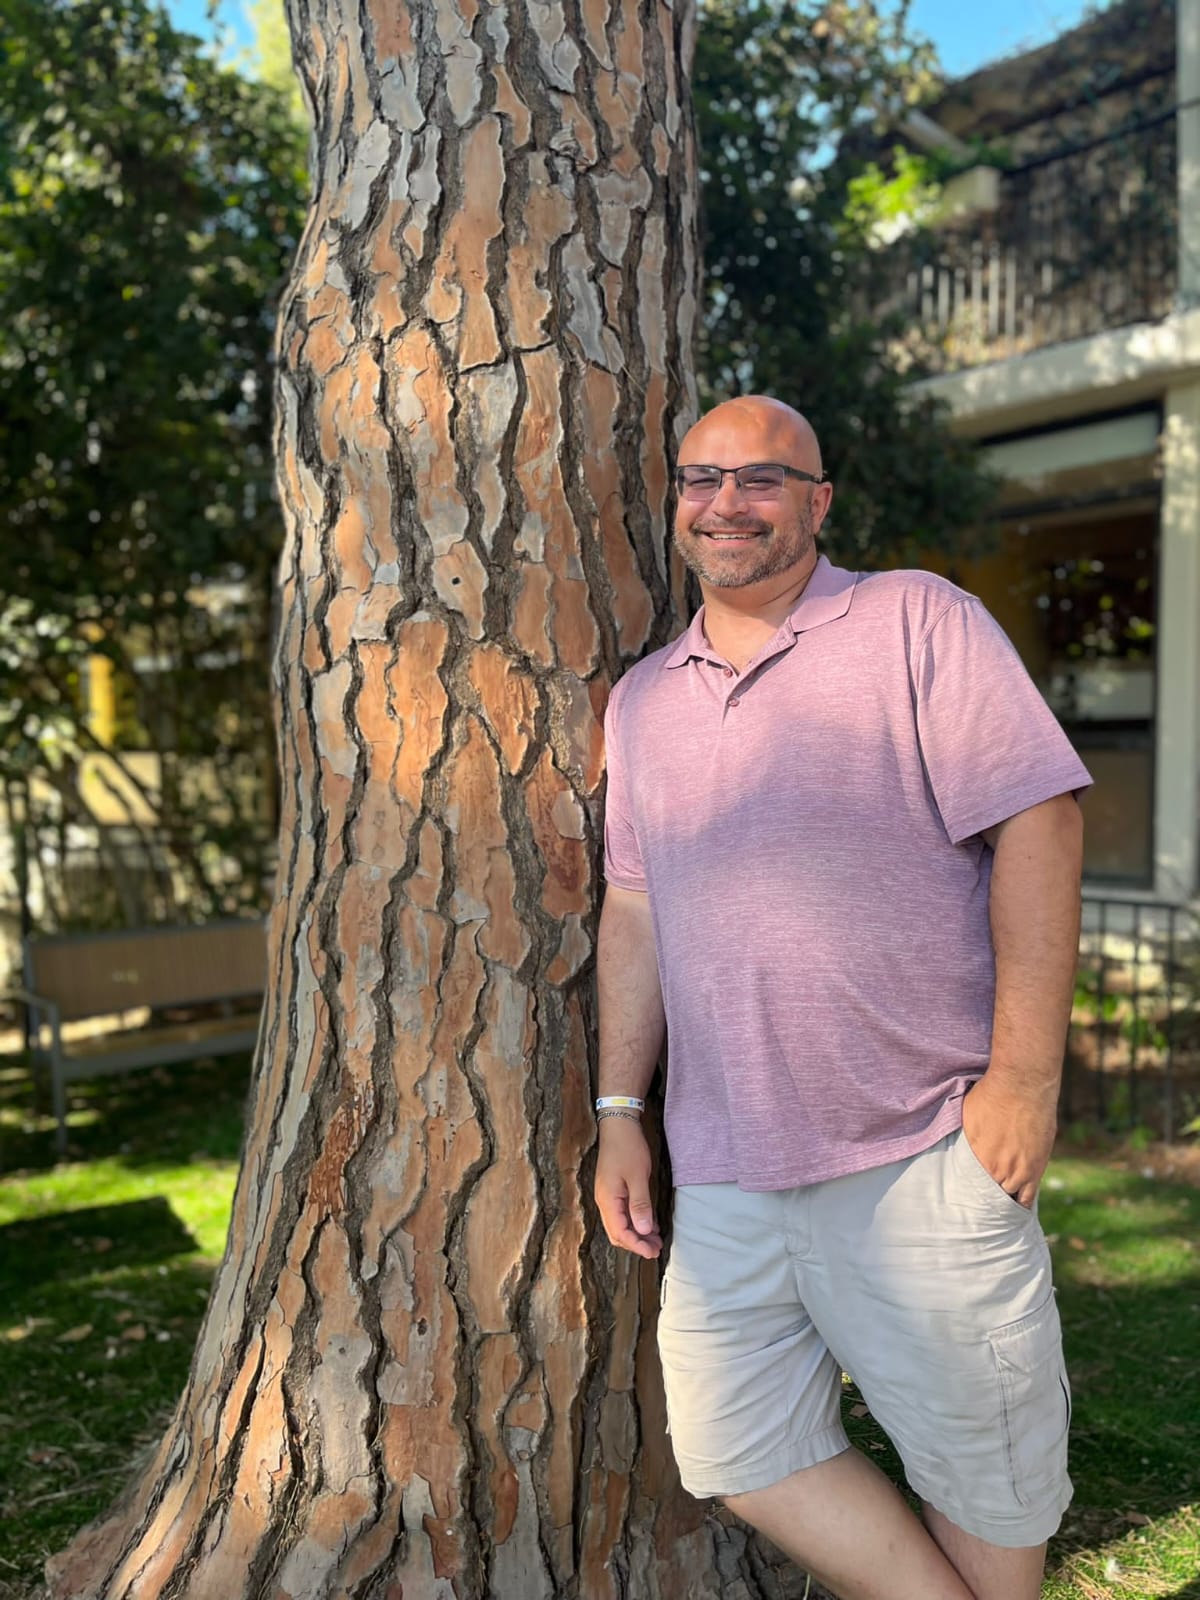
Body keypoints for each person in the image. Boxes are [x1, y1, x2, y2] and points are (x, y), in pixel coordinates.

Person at [594, 394, 1090, 1600]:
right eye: (702, 479)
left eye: (762, 479)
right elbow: (636, 908)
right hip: (723, 1174)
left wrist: (1023, 1082)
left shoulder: (916, 619)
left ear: (817, 504)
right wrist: (619, 1107)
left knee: (984, 1482)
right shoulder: (645, 699)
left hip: (921, 1145)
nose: (727, 503)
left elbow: (1040, 819)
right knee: (735, 1447)